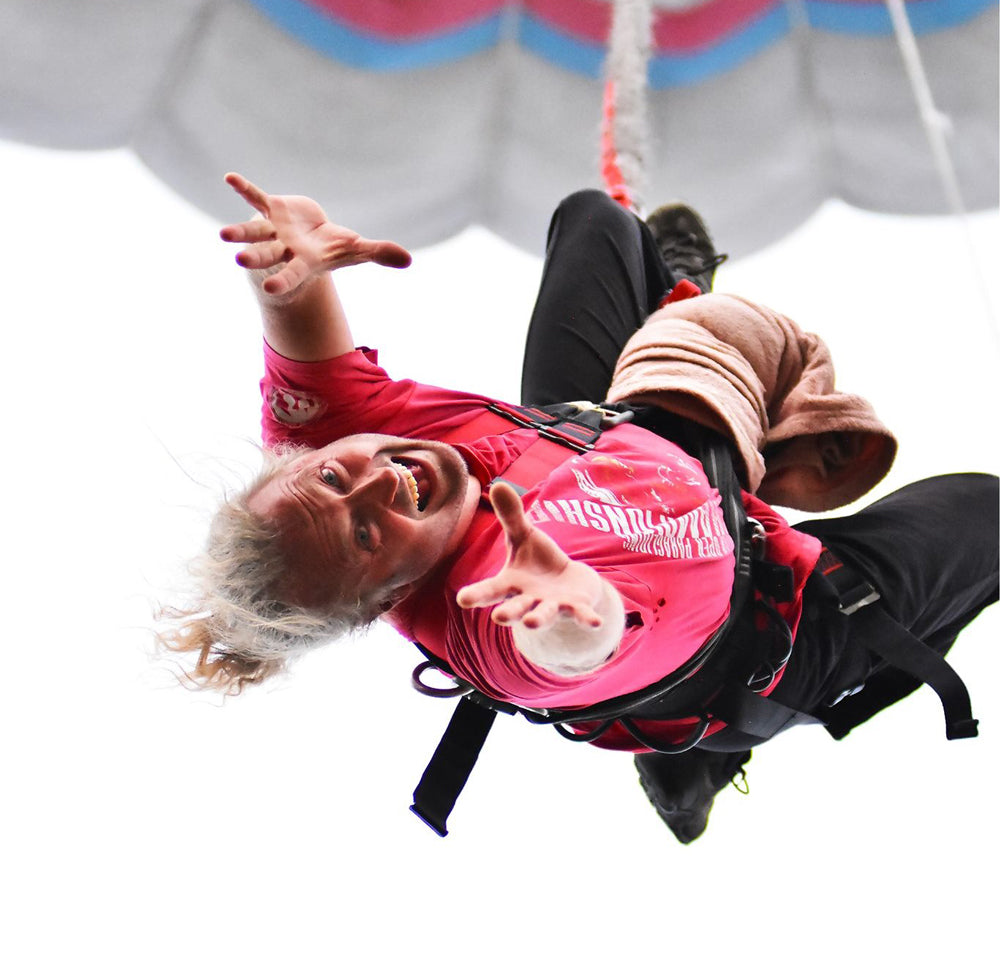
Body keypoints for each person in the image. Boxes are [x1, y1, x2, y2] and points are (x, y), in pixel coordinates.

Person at [162, 174, 998, 843]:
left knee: (596, 220)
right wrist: (574, 608)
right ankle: (689, 768)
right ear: (388, 598)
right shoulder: (497, 619)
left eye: (339, 481)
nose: (378, 482)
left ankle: (678, 299)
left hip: (612, 441)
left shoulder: (341, 438)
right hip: (771, 627)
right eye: (369, 533)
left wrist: (293, 268)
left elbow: (300, 331)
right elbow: (561, 648)